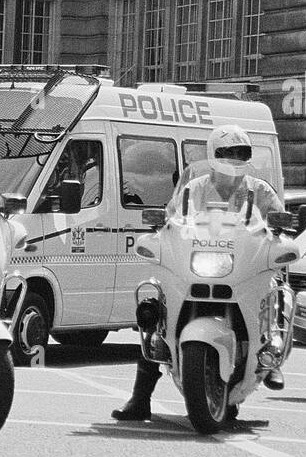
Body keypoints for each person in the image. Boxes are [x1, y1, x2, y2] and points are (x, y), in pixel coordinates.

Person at [112, 125, 286, 422]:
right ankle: (140, 399)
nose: (233, 159)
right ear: (212, 154)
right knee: (156, 313)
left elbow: (278, 225)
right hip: (199, 265)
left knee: (275, 291)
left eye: (240, 153)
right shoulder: (194, 188)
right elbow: (171, 221)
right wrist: (160, 234)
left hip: (242, 268)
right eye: (226, 153)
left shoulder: (260, 190)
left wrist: (282, 232)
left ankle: (271, 356)